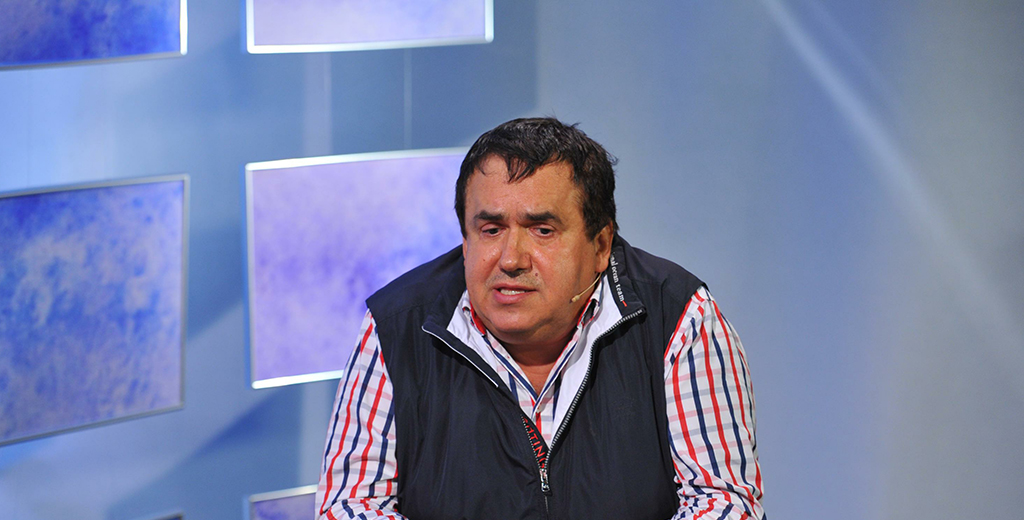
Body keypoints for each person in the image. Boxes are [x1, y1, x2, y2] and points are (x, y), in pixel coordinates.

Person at [315, 118, 765, 519]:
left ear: (601, 245)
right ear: (465, 239)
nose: (511, 259)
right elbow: (350, 506)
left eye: (542, 230)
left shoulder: (677, 316)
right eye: (491, 229)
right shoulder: (397, 326)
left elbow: (724, 502)